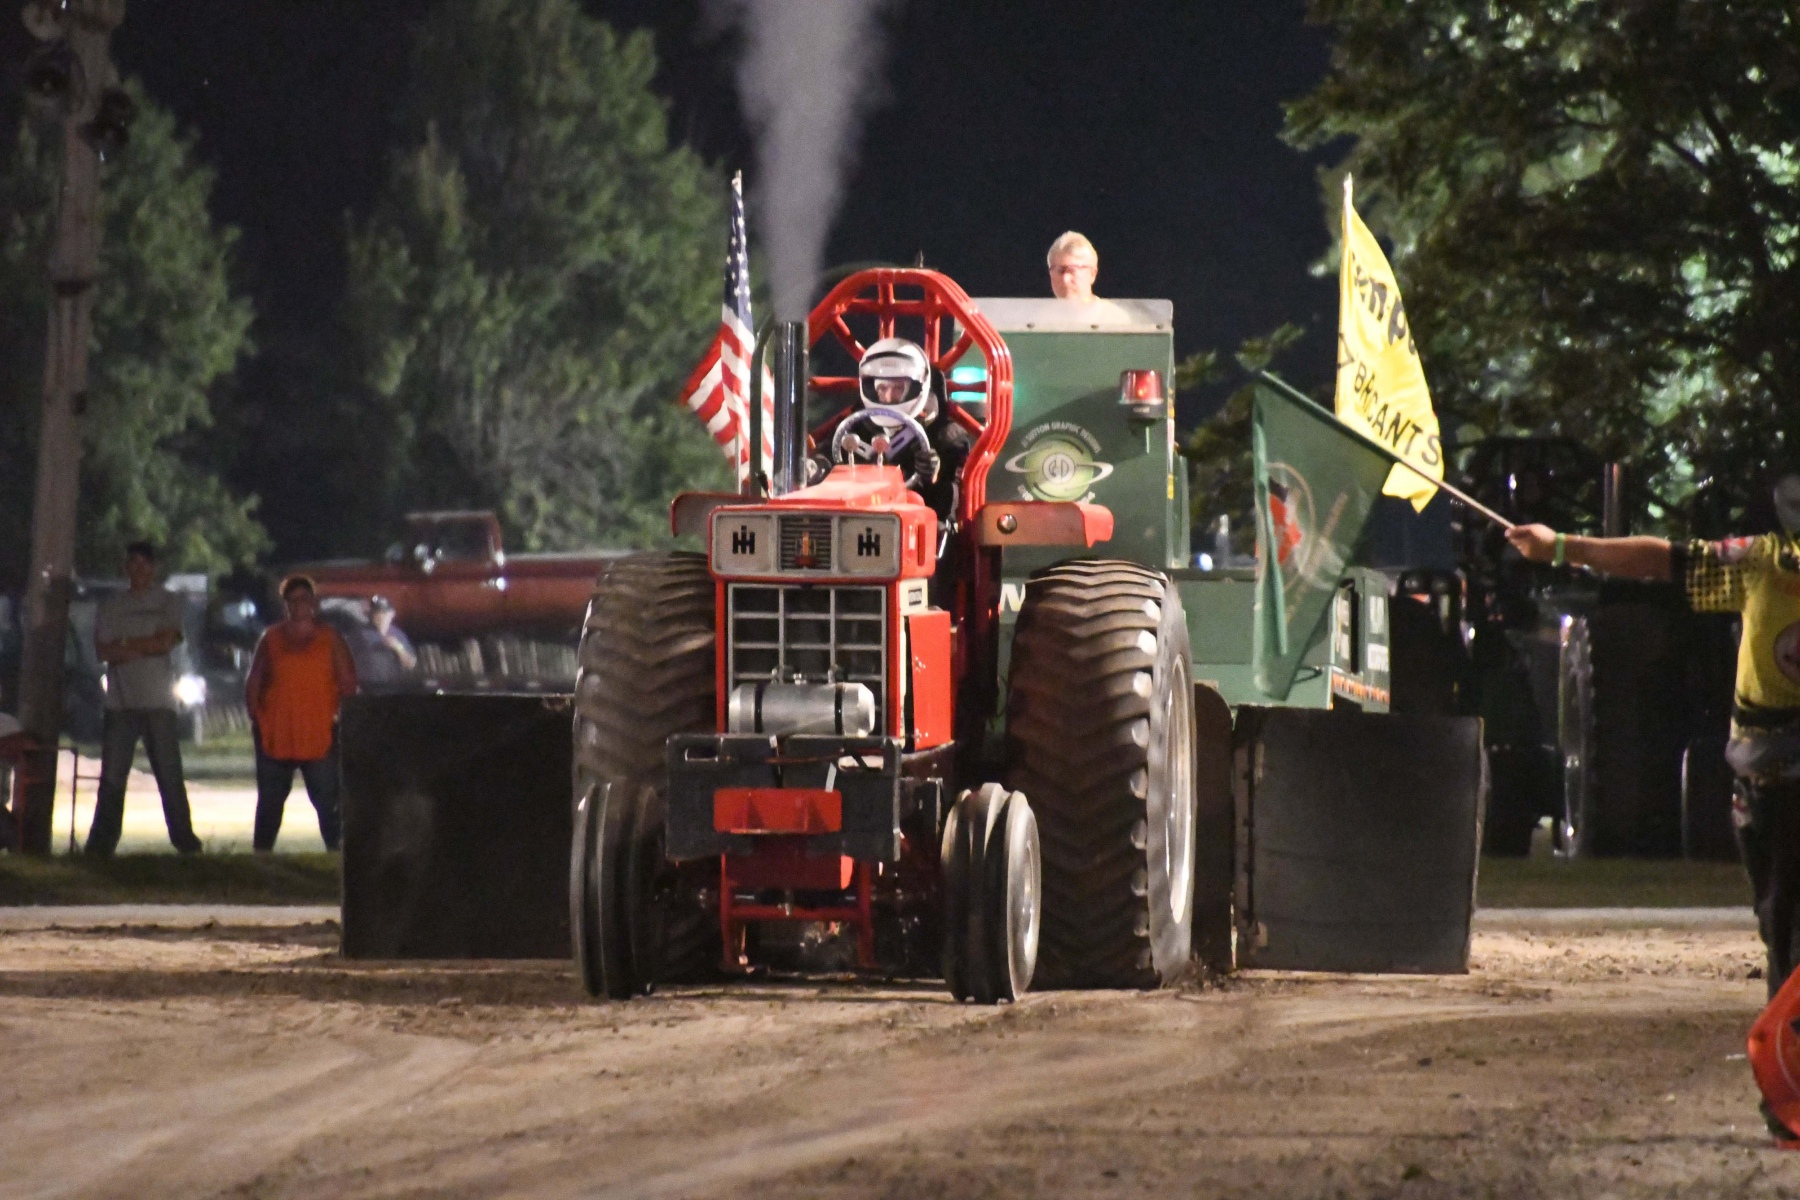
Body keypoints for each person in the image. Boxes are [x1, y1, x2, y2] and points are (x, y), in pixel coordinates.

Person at [1507, 483, 1800, 997]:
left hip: (1769, 770)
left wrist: (1561, 547)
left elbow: (1661, 560)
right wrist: (1560, 547)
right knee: (1782, 920)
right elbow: (1662, 559)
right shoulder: (1761, 562)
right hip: (1768, 770)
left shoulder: (1762, 561)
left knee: (1783, 921)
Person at [86, 541, 202, 856]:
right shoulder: (112, 604)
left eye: (143, 563)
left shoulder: (168, 601)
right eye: (132, 563)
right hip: (120, 704)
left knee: (169, 775)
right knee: (112, 779)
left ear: (153, 567)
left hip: (158, 703)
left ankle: (185, 841)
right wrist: (144, 644)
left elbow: (165, 643)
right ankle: (101, 845)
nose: (137, 569)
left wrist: (125, 644)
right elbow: (103, 650)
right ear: (126, 568)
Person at [246, 575, 357, 852]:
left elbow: (348, 683)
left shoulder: (330, 639)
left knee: (328, 803)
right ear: (285, 604)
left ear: (314, 603)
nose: (299, 605)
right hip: (276, 735)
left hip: (318, 735)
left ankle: (338, 857)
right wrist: (257, 718)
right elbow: (255, 680)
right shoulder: (271, 639)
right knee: (270, 804)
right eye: (292, 600)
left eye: (304, 599)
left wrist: (339, 718)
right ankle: (262, 857)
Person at [814, 337, 975, 526]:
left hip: (914, 526)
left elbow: (949, 508)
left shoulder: (947, 436)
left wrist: (932, 477)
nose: (889, 397)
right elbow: (826, 457)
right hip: (855, 521)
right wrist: (817, 466)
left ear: (917, 387)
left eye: (898, 388)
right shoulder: (854, 426)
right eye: (882, 388)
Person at [344, 595, 416, 691]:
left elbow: (411, 664)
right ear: (372, 615)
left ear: (392, 614)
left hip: (392, 688)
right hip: (367, 688)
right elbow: (345, 660)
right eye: (377, 613)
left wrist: (398, 648)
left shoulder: (398, 635)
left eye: (385, 612)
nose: (381, 616)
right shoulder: (359, 634)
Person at [1047, 231, 1099, 303]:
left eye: (1073, 271)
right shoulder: (1036, 310)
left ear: (1092, 274)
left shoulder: (1110, 310)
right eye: (1060, 271)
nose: (1065, 279)